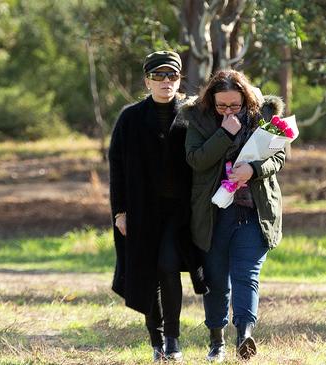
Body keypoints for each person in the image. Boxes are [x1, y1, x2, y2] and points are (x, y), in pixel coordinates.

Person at [176, 69, 285, 361]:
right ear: (211, 101)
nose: (228, 110)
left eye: (234, 105)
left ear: (245, 98)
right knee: (215, 280)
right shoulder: (197, 119)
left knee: (246, 275)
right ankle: (216, 341)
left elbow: (278, 155)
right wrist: (225, 133)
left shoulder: (261, 116)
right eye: (221, 105)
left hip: (253, 211)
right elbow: (196, 160)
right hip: (213, 214)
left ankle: (244, 335)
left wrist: (254, 169)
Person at [109, 51, 206, 362]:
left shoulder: (192, 114)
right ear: (147, 80)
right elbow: (117, 168)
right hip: (141, 210)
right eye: (159, 75)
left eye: (172, 76)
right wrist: (120, 212)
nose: (166, 81)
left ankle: (173, 339)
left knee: (167, 265)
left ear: (179, 80)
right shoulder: (130, 117)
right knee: (146, 272)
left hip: (180, 212)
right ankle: (156, 341)